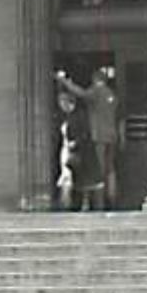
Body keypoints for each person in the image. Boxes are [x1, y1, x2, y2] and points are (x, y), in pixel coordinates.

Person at [58, 68, 120, 209]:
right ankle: (112, 197)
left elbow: (81, 93)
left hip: (99, 136)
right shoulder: (111, 95)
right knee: (110, 169)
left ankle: (101, 202)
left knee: (98, 170)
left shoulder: (96, 92)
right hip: (112, 136)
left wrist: (66, 82)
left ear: (95, 80)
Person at [54, 72, 98, 212]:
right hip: (67, 150)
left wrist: (75, 143)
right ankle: (68, 204)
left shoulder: (79, 116)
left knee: (80, 178)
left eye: (62, 102)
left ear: (69, 102)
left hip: (79, 151)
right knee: (68, 177)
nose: (61, 105)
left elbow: (84, 133)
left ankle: (73, 204)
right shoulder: (66, 117)